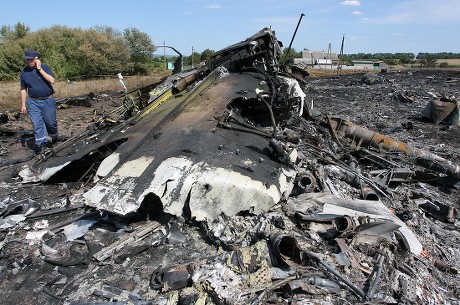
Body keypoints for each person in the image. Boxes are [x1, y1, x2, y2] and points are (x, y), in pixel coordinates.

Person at [20, 49, 58, 154]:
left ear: (36, 58)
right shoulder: (24, 72)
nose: (29, 62)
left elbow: (52, 81)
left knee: (51, 122)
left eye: (31, 60)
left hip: (48, 100)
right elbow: (23, 89)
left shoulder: (44, 67)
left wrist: (39, 68)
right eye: (27, 60)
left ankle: (54, 137)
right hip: (33, 102)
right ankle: (42, 146)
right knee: (37, 124)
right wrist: (23, 104)